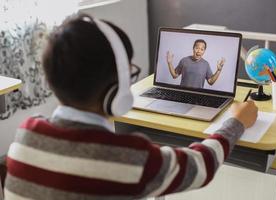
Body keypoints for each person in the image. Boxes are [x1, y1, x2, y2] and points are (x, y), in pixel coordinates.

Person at [4, 13, 258, 200]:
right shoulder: (132, 158)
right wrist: (236, 123)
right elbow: (202, 165)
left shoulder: (26, 134)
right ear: (120, 84)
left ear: (51, 80)